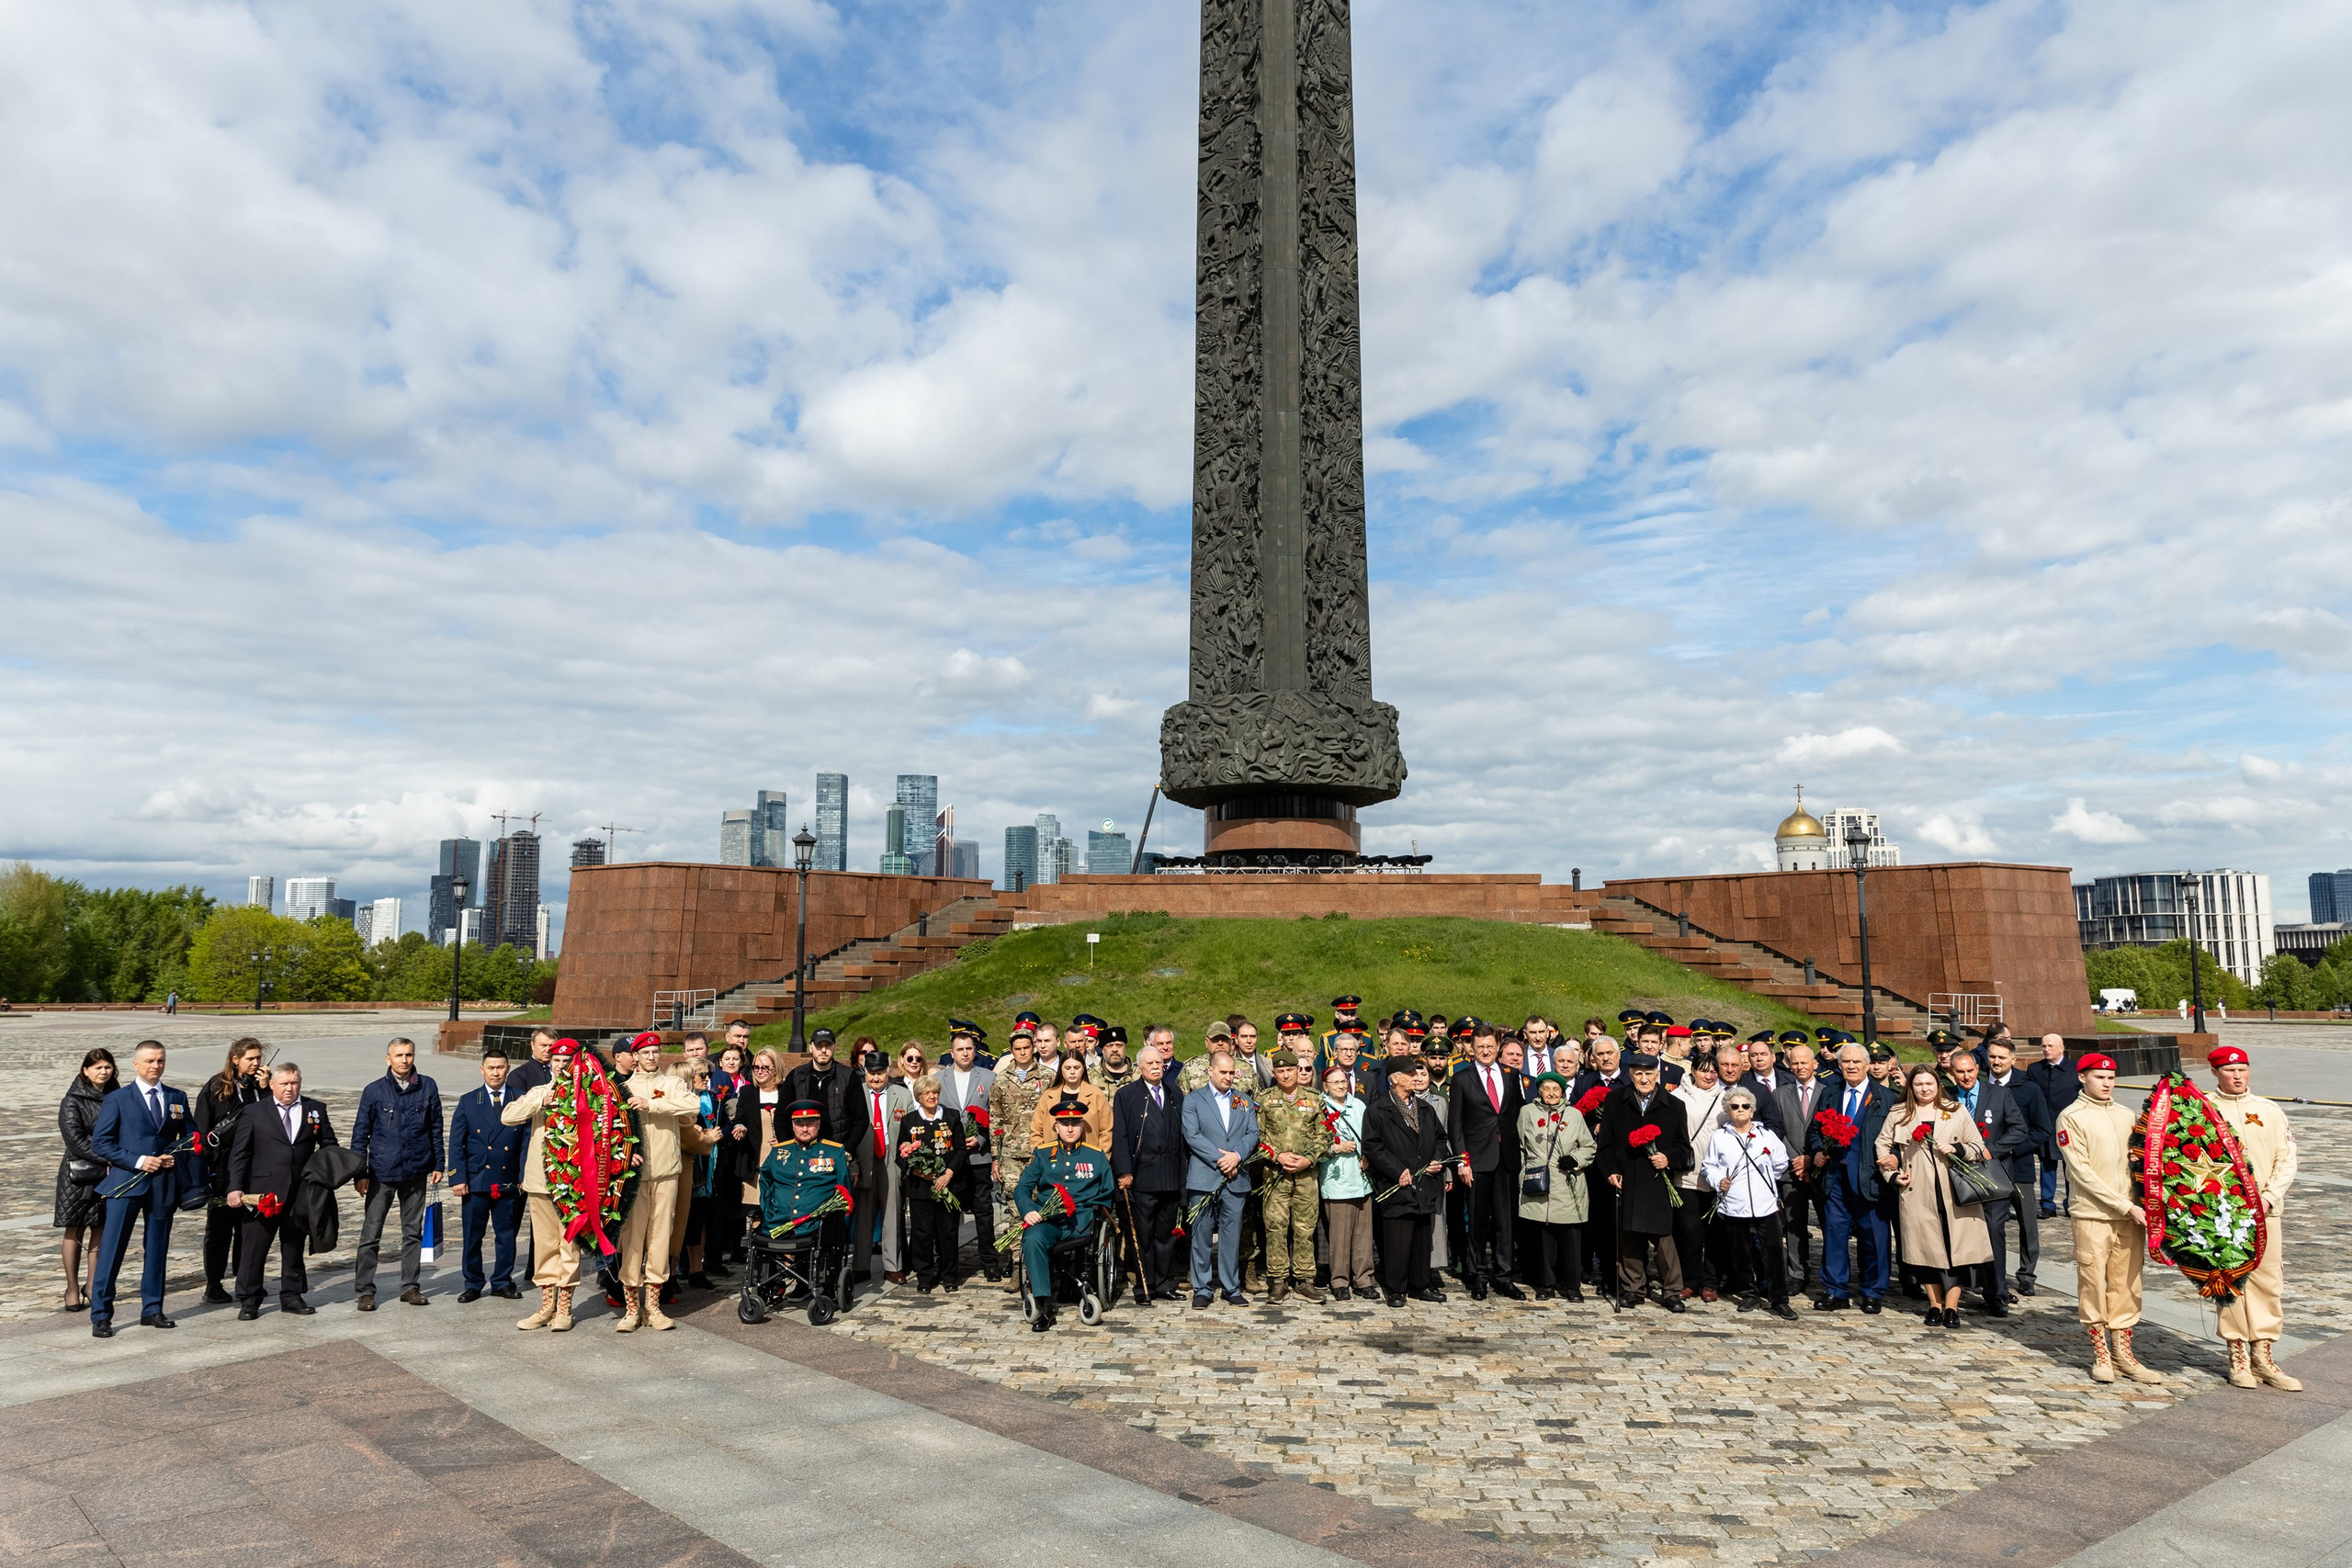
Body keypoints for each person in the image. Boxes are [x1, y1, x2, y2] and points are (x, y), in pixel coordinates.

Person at [2056, 1052, 2164, 1384]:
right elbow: (2082, 1171)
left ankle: (2124, 1353)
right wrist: (2123, 1205)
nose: (2106, 1083)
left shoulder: (2126, 1114)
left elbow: (2140, 1162)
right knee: (2092, 1282)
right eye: (2099, 1077)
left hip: (2131, 1215)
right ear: (2082, 1078)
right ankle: (2101, 1353)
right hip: (2093, 1213)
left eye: (2111, 1078)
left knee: (2127, 1283)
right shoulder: (2071, 1117)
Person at [89, 1040, 201, 1337]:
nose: (155, 1066)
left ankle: (152, 1308)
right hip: (126, 1184)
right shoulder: (118, 1099)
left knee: (157, 1247)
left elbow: (190, 1137)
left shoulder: (177, 1097)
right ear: (135, 1064)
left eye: (160, 1060)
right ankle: (101, 1314)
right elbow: (101, 1143)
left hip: (163, 1184)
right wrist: (139, 1161)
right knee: (112, 1248)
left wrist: (175, 1154)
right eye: (150, 1061)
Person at [2207, 1045, 2301, 1391]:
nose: (2237, 1076)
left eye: (2242, 1070)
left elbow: (2286, 1157)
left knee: (2267, 1282)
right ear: (2215, 1072)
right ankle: (2238, 1357)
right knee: (2230, 1282)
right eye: (2230, 1070)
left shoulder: (2268, 1110)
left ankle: (2263, 1356)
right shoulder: (2202, 1110)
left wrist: (2269, 1197)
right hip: (2223, 1216)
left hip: (2265, 1212)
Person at [1876, 1063, 1993, 1327]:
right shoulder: (1899, 1113)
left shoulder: (1955, 1110)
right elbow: (1882, 1145)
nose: (1924, 1089)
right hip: (1917, 1191)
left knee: (1957, 1250)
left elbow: (1978, 1146)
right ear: (1910, 1087)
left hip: (1954, 1191)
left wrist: (1957, 1149)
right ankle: (1934, 1304)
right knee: (1926, 1252)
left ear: (1938, 1086)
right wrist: (1892, 1174)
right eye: (1918, 1084)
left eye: (1929, 1084)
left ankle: (1952, 1307)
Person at [224, 1062, 334, 1318]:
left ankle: (292, 1296)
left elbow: (328, 1144)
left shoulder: (315, 1109)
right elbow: (240, 1153)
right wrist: (235, 1187)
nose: (289, 1088)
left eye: (294, 1083)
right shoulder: (254, 1112)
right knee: (254, 1247)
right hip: (263, 1192)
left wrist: (326, 1177)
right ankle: (249, 1299)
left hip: (300, 1190)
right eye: (284, 1083)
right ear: (272, 1084)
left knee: (294, 1244)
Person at [349, 1037, 442, 1311]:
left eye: (409, 1054)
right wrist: (360, 1172)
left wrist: (438, 1164)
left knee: (412, 1232)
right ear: (388, 1059)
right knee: (371, 1234)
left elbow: (436, 1128)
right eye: (399, 1055)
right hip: (381, 1172)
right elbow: (360, 1133)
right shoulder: (374, 1091)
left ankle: (410, 1287)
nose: (404, 1060)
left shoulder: (428, 1086)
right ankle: (365, 1290)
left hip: (416, 1170)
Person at [614, 1032, 697, 1331]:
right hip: (635, 1176)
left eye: (655, 1052)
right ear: (635, 1056)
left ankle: (653, 1307)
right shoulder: (622, 1087)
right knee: (632, 1239)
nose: (651, 1057)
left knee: (661, 1238)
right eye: (645, 1052)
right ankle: (631, 1309)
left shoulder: (671, 1084)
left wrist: (651, 1104)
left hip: (666, 1172)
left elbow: (692, 1105)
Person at [1596, 1052, 1691, 1311]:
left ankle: (1672, 1291)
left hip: (1657, 1181)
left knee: (1663, 1239)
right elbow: (1605, 1145)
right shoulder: (1616, 1100)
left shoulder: (1674, 1105)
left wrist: (1667, 1158)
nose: (1644, 1079)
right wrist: (1610, 1170)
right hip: (1626, 1179)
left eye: (1649, 1073)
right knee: (1628, 1236)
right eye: (1638, 1073)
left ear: (1657, 1074)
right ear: (1630, 1075)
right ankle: (1633, 1288)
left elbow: (1684, 1149)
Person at [1807, 1043, 1897, 1314]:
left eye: (1857, 1062)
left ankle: (1872, 1291)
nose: (1851, 1066)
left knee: (1874, 1237)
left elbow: (1899, 1138)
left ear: (1868, 1065)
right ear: (1839, 1065)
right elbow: (1815, 1129)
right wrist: (1817, 1151)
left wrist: (1894, 1158)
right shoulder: (1830, 1094)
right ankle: (1836, 1290)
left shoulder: (1886, 1097)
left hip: (1870, 1178)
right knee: (1834, 1234)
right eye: (1846, 1062)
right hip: (1835, 1178)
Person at [1012, 1099, 1115, 1331]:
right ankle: (1044, 1304)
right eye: (1065, 1124)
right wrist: (1028, 1210)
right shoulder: (1042, 1154)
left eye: (1075, 1123)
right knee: (1032, 1239)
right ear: (1056, 1127)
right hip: (1048, 1221)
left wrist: (1093, 1210)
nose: (1070, 1128)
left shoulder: (1096, 1156)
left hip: (1081, 1223)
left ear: (1082, 1126)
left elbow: (1108, 1191)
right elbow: (1022, 1188)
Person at [1449, 1024, 1527, 1301]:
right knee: (1478, 1221)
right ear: (1472, 1049)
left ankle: (1504, 1275)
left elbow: (1517, 1115)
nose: (1485, 1051)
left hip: (1506, 1158)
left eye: (1490, 1047)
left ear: (1497, 1047)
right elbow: (1455, 1125)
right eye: (1480, 1047)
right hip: (1477, 1159)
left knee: (1506, 1221)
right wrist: (1463, 1161)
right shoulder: (1462, 1079)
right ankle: (1478, 1275)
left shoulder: (1511, 1075)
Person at [1703, 1087, 1796, 1317]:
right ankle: (1748, 1294)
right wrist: (1718, 1180)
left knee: (1774, 1252)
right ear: (1728, 1111)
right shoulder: (1720, 1137)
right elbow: (1709, 1166)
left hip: (1765, 1203)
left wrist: (1766, 1182)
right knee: (1741, 1252)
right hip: (1734, 1204)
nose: (1740, 1110)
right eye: (1735, 1106)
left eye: (1745, 1106)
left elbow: (1780, 1163)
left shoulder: (1767, 1135)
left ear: (1752, 1110)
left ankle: (1779, 1299)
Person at [1363, 1056, 1448, 1306]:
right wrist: (1397, 1170)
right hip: (1396, 1185)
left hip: (1424, 1182)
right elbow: (1372, 1147)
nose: (1416, 1077)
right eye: (1410, 1074)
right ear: (1394, 1078)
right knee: (1398, 1239)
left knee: (1422, 1237)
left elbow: (1440, 1139)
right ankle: (1396, 1288)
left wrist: (1438, 1159)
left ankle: (1420, 1284)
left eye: (1418, 1073)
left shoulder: (1425, 1109)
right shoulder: (1378, 1110)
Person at [447, 1047, 528, 1303]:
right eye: (491, 1068)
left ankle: (502, 1282)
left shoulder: (520, 1099)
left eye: (500, 1067)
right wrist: (458, 1178)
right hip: (476, 1180)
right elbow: (456, 1143)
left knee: (506, 1235)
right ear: (482, 1070)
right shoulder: (469, 1100)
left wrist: (525, 1175)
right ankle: (473, 1283)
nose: (495, 1073)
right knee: (473, 1236)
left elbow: (526, 1142)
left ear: (508, 1069)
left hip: (508, 1179)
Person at [1112, 1040, 1189, 1300]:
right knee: (1143, 1235)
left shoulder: (1174, 1092)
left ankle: (1164, 1283)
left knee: (1166, 1235)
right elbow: (1120, 1136)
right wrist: (1124, 1171)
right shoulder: (1127, 1095)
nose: (1156, 1067)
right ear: (1139, 1067)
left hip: (1170, 1175)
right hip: (1142, 1177)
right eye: (1150, 1063)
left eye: (1159, 1063)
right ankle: (1144, 1286)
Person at [1181, 1051, 1260, 1307]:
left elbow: (1252, 1133)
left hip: (1236, 1177)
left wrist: (1236, 1156)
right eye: (1223, 1072)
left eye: (1231, 1072)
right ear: (1210, 1071)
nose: (1228, 1077)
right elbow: (1192, 1135)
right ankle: (1202, 1288)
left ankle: (1230, 1286)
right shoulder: (1193, 1100)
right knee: (1201, 1235)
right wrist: (1221, 1159)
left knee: (1231, 1235)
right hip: (1204, 1176)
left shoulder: (1243, 1100)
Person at [1954, 1043, 2030, 1314]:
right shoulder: (1947, 1098)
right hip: (1958, 1174)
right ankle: (1959, 1286)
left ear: (1978, 1069)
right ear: (1952, 1073)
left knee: (1994, 1231)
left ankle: (1996, 1292)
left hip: (1992, 1174)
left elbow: (2019, 1129)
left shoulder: (1999, 1094)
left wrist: (1992, 1149)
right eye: (1960, 1072)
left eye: (1970, 1071)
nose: (1966, 1077)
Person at [193, 1037, 266, 1303]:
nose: (255, 1063)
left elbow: (272, 1117)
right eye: (250, 1058)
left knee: (250, 1227)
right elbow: (201, 1128)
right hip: (222, 1168)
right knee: (219, 1228)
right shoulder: (217, 1086)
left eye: (258, 1058)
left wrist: (265, 1089)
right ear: (235, 1060)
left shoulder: (260, 1087)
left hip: (254, 1166)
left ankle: (245, 1279)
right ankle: (213, 1284)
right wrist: (206, 1165)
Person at [1257, 1054, 1333, 1303]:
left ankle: (1304, 1280)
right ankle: (1278, 1280)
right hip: (1275, 1175)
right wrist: (1277, 1155)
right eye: (1281, 1071)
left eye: (1291, 1070)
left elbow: (1325, 1134)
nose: (1286, 1075)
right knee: (1275, 1228)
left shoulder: (1314, 1099)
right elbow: (1256, 1136)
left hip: (1306, 1175)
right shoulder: (1265, 1099)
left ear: (1298, 1071)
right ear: (1274, 1074)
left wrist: (1308, 1159)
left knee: (1305, 1228)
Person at [1515, 1072, 1595, 1301]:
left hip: (1567, 1183)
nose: (1551, 1093)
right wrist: (1523, 1175)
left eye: (1556, 1089)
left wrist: (1576, 1159)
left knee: (1570, 1237)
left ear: (1563, 1092)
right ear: (1539, 1091)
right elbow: (1521, 1146)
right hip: (1538, 1182)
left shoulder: (1574, 1115)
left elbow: (1589, 1146)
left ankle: (1572, 1286)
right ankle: (1546, 1284)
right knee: (1543, 1237)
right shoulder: (1527, 1112)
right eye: (1546, 1088)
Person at [53, 1047, 117, 1312]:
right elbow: (75, 1141)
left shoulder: (117, 1097)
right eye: (98, 1067)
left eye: (107, 1067)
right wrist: (109, 1157)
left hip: (108, 1174)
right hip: (78, 1174)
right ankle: (71, 1287)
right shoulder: (72, 1100)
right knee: (74, 1228)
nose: (103, 1072)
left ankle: (92, 1285)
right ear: (85, 1071)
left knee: (101, 1228)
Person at [757, 1101, 853, 1272]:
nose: (805, 1129)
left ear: (819, 1124)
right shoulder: (779, 1151)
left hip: (815, 1226)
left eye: (810, 1124)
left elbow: (843, 1191)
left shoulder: (834, 1151)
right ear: (793, 1126)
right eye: (800, 1124)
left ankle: (808, 1281)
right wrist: (768, 1210)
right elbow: (765, 1182)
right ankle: (771, 1281)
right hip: (777, 1222)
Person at [936, 1025, 998, 1278]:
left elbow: (996, 1116)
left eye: (969, 1049)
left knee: (984, 1211)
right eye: (960, 1049)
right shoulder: (939, 1079)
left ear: (975, 1051)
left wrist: (982, 1139)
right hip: (950, 1158)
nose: (965, 1053)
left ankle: (989, 1262)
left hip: (978, 1156)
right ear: (951, 1053)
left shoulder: (988, 1077)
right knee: (949, 1215)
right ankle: (949, 1267)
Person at [895, 1074, 966, 1292]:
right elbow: (900, 1154)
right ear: (919, 1096)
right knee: (922, 1233)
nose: (932, 1096)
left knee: (948, 1233)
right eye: (926, 1093)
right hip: (921, 1187)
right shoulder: (909, 1121)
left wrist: (948, 1174)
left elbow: (961, 1149)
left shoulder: (952, 1116)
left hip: (948, 1185)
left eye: (934, 1092)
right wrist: (917, 1171)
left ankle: (949, 1276)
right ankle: (924, 1276)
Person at [1770, 1039, 1831, 1294]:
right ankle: (1797, 1273)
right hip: (1791, 1168)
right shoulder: (1780, 1093)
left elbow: (1831, 1130)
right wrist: (1796, 1159)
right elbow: (1776, 1130)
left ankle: (1830, 1273)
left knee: (1829, 1223)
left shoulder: (1829, 1092)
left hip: (1821, 1167)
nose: (1799, 1067)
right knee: (1794, 1225)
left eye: (1804, 1062)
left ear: (1815, 1064)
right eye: (1794, 1063)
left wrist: (1811, 1157)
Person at [1671, 1053, 1728, 1301]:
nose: (1709, 1075)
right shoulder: (1677, 1096)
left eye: (1713, 1070)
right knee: (1689, 1230)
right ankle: (1690, 1279)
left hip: (1717, 1176)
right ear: (1693, 1071)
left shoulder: (1726, 1097)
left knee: (1715, 1232)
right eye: (1704, 1070)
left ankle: (1711, 1282)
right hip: (1687, 1173)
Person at [1317, 1064, 1375, 1301]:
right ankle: (1339, 1281)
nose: (1341, 1086)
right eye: (1336, 1082)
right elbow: (1313, 1145)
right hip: (1338, 1180)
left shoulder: (1359, 1105)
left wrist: (1368, 1155)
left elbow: (1371, 1136)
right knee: (1340, 1237)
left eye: (1344, 1081)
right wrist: (1335, 1148)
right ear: (1326, 1087)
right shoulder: (1320, 1108)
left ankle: (1363, 1279)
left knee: (1363, 1235)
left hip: (1361, 1180)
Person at [847, 1051, 903, 1286]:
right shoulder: (856, 1092)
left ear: (888, 1072)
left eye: (880, 1073)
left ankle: (893, 1266)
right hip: (864, 1156)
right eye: (871, 1073)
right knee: (864, 1214)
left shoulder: (901, 1094)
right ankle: (861, 1266)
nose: (876, 1078)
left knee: (892, 1212)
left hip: (891, 1156)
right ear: (865, 1073)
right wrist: (854, 1163)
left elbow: (910, 1128)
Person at [784, 1028, 867, 1154]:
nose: (823, 1050)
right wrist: (790, 1150)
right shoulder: (796, 1076)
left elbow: (861, 1119)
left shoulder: (849, 1077)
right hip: (801, 1153)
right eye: (819, 1045)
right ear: (810, 1048)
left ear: (834, 1047)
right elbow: (781, 1117)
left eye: (828, 1045)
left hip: (838, 1152)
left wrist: (847, 1151)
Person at [2025, 1034, 2079, 1217]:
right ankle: (2047, 1205)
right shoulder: (2035, 1069)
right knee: (2047, 1165)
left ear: (2062, 1048)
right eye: (2043, 1046)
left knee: (2070, 1166)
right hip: (2045, 1125)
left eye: (2050, 1046)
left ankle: (2070, 1204)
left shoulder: (2075, 1069)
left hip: (2069, 1126)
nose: (2046, 1049)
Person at [1029, 1049, 1112, 1150]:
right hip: (1053, 1157)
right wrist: (1041, 1156)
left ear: (1083, 1068)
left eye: (1076, 1068)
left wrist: (1101, 1157)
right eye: (1067, 1068)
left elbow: (1106, 1131)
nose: (1072, 1072)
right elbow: (1036, 1131)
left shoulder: (1096, 1095)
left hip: (1088, 1157)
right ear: (1061, 1068)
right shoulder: (1048, 1096)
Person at [506, 1029, 557, 1096]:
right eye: (543, 1045)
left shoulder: (561, 1071)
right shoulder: (518, 1075)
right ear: (532, 1045)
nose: (548, 1050)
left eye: (551, 1046)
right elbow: (518, 1101)